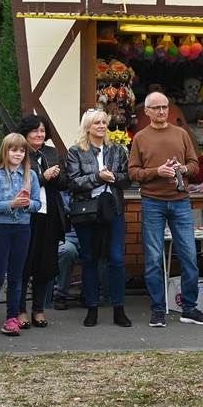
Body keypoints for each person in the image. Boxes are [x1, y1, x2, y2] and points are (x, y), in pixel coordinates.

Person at [129, 91, 203, 327]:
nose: (162, 111)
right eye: (156, 108)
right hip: (152, 201)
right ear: (146, 111)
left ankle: (189, 308)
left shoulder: (181, 134)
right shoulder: (140, 138)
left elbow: (195, 166)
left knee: (189, 256)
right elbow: (133, 172)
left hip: (180, 200)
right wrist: (157, 171)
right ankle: (157, 310)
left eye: (164, 107)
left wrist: (183, 170)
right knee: (154, 259)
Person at [66, 109, 132, 327]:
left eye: (104, 122)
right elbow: (73, 182)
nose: (102, 126)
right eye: (97, 123)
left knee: (116, 259)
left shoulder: (118, 150)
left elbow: (127, 178)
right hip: (87, 211)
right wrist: (97, 177)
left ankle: (119, 309)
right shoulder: (75, 152)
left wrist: (113, 178)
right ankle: (92, 308)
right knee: (89, 259)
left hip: (113, 209)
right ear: (87, 127)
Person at [0, 133, 40, 337]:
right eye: (14, 150)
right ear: (6, 151)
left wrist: (27, 203)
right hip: (0, 230)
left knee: (17, 276)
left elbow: (38, 204)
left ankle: (12, 318)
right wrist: (11, 204)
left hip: (22, 229)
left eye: (22, 150)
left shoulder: (30, 176)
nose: (18, 154)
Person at [17, 114, 69, 329]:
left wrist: (55, 176)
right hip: (26, 217)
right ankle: (19, 310)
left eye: (42, 131)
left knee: (45, 265)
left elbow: (66, 182)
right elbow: (17, 184)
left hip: (50, 215)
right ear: (25, 133)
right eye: (35, 131)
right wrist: (43, 177)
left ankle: (38, 309)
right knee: (24, 265)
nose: (40, 134)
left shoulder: (51, 153)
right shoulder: (19, 152)